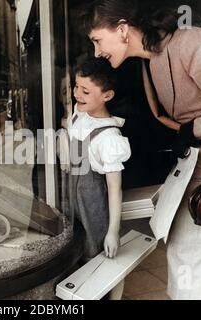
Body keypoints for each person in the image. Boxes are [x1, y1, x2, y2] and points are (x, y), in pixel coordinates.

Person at [80, 0, 201, 299]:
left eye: (97, 40)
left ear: (122, 29)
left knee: (192, 262)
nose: (96, 51)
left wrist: (191, 130)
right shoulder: (150, 60)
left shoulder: (192, 42)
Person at [68, 57, 131, 261]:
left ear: (107, 95)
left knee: (93, 255)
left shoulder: (108, 138)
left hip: (92, 206)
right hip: (69, 198)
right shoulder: (80, 113)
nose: (77, 94)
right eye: (76, 86)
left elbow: (114, 188)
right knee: (72, 253)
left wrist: (113, 231)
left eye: (85, 91)